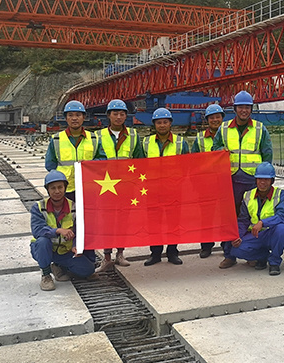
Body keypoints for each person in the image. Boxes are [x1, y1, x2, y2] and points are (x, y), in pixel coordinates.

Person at [212, 91, 273, 270]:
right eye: (241, 107)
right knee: (228, 217)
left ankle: (250, 253)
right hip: (230, 180)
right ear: (235, 109)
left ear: (251, 109)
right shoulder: (224, 128)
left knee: (251, 217)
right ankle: (229, 255)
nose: (244, 110)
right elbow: (215, 149)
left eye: (247, 107)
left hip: (252, 181)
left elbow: (267, 155)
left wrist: (266, 180)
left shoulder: (260, 129)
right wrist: (220, 150)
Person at [93, 99, 143, 272]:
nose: (119, 117)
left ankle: (120, 254)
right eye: (115, 113)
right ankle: (107, 257)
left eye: (122, 114)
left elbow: (140, 160)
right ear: (109, 115)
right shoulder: (98, 136)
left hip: (125, 187)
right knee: (107, 221)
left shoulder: (133, 135)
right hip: (105, 186)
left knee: (123, 220)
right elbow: (93, 160)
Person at [30, 170, 95, 291]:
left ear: (65, 188)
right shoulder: (39, 207)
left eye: (60, 187)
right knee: (43, 241)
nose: (57, 191)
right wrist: (57, 230)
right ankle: (46, 275)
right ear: (47, 190)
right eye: (53, 188)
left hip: (65, 252)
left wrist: (75, 245)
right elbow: (37, 230)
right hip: (44, 250)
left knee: (88, 270)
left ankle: (59, 267)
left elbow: (80, 230)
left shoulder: (74, 207)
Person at [142, 107, 189, 266]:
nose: (162, 125)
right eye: (159, 122)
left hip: (173, 189)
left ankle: (172, 252)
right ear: (154, 124)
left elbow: (187, 166)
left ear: (170, 123)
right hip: (152, 190)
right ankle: (155, 253)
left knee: (173, 223)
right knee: (154, 223)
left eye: (165, 122)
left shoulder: (181, 143)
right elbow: (140, 165)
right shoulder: (146, 142)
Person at [229, 162, 284, 276]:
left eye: (266, 179)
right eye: (260, 179)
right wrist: (238, 236)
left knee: (282, 230)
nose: (262, 182)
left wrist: (263, 222)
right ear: (255, 180)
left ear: (272, 181)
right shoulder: (248, 195)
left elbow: (282, 216)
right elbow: (243, 220)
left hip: (272, 233)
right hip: (255, 235)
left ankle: (274, 262)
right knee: (236, 250)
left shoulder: (280, 194)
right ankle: (263, 257)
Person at [44, 100, 100, 201]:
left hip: (88, 187)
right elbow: (50, 165)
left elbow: (102, 160)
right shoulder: (57, 139)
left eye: (78, 115)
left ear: (84, 117)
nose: (74, 118)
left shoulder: (94, 139)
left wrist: (88, 165)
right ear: (66, 118)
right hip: (65, 189)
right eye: (70, 115)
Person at [190, 103, 225, 258]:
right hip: (206, 183)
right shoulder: (200, 139)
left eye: (218, 117)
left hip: (224, 181)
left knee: (225, 216)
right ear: (207, 120)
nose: (215, 120)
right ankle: (206, 246)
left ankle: (226, 245)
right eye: (212, 118)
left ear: (222, 118)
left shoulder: (228, 135)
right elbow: (194, 163)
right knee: (206, 217)